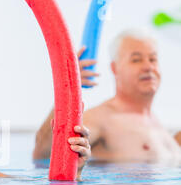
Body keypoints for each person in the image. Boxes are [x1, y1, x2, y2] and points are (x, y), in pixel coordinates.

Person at [33, 29, 181, 163]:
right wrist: (66, 90)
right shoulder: (102, 119)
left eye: (153, 59)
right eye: (136, 60)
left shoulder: (160, 127)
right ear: (114, 68)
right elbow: (43, 154)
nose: (148, 67)